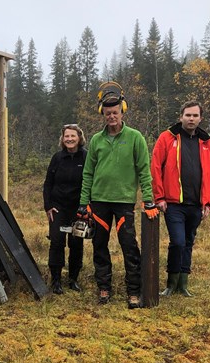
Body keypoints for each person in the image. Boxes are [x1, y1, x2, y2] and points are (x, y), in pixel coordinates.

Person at [77, 83, 158, 308]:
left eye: (115, 112)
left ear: (122, 111)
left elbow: (144, 170)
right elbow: (88, 173)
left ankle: (134, 291)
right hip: (99, 202)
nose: (111, 116)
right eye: (108, 113)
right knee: (99, 246)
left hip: (124, 202)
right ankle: (104, 288)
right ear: (102, 114)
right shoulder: (96, 140)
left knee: (129, 246)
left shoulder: (135, 137)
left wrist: (148, 199)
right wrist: (84, 203)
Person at [150, 100, 210, 296]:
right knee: (178, 241)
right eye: (188, 115)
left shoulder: (206, 142)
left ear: (200, 118)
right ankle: (171, 283)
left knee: (188, 242)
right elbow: (155, 167)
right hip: (172, 203)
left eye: (195, 115)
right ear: (181, 117)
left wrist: (208, 203)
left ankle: (183, 284)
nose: (191, 118)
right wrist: (159, 197)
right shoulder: (167, 138)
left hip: (196, 204)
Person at [43, 124, 87, 294]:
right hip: (58, 208)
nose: (69, 139)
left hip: (78, 209)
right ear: (62, 139)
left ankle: (73, 280)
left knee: (76, 244)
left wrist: (87, 206)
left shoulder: (86, 157)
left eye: (72, 136)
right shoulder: (57, 158)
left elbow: (90, 182)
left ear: (79, 138)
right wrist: (48, 206)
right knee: (57, 243)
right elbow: (48, 183)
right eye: (66, 136)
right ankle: (56, 281)